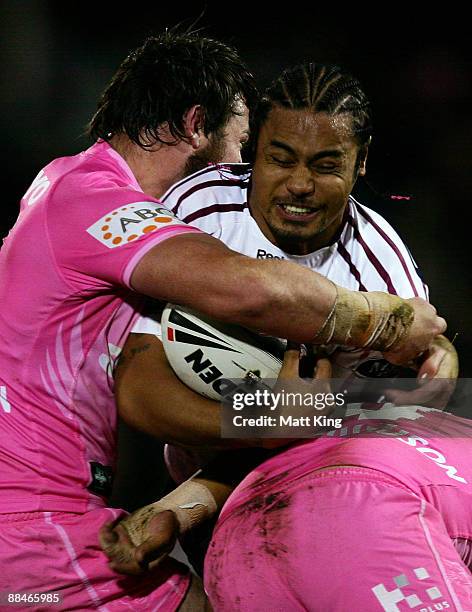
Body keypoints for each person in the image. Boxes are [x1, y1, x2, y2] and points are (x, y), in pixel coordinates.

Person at [0, 32, 443, 611]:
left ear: (359, 164)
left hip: (68, 510)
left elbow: (423, 394)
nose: (241, 169)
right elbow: (250, 293)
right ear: (195, 124)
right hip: (37, 518)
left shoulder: (64, 184)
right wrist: (382, 321)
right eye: (247, 147)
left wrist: (183, 504)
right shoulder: (102, 201)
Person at [115, 62, 457, 469]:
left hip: (297, 482)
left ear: (361, 161)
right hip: (169, 462)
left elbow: (361, 437)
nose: (300, 184)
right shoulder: (194, 208)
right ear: (254, 148)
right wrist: (265, 424)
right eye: (281, 159)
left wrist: (434, 365)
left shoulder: (384, 274)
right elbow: (137, 389)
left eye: (326, 166)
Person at [102, 349, 472, 611]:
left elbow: (278, 464)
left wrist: (177, 509)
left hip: (235, 556)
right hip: (360, 520)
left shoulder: (369, 413)